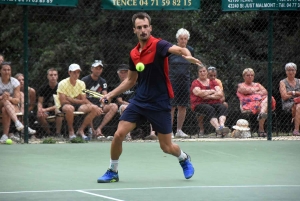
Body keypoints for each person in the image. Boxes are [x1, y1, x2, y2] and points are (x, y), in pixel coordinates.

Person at [97, 12, 201, 183]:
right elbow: (130, 81)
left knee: (166, 147)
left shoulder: (159, 45)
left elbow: (177, 49)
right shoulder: (133, 54)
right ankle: (113, 171)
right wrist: (110, 94)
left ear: (150, 28)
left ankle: (183, 158)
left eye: (146, 26)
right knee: (118, 135)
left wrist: (186, 54)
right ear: (134, 30)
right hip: (139, 101)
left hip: (160, 102)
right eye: (139, 28)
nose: (143, 30)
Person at [57, 63, 102, 140]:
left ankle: (81, 130)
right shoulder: (62, 83)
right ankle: (71, 131)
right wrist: (77, 99)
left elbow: (83, 100)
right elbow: (63, 101)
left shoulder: (81, 83)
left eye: (78, 72)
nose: (76, 74)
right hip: (65, 106)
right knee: (69, 108)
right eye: (74, 72)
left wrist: (71, 99)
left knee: (94, 108)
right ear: (69, 73)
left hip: (78, 105)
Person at [81, 60, 118, 139]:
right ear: (92, 69)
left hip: (100, 105)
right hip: (88, 104)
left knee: (114, 106)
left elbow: (106, 97)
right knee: (92, 108)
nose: (98, 70)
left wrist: (104, 103)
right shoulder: (84, 80)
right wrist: (94, 106)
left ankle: (99, 129)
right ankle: (92, 131)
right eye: (96, 68)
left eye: (100, 68)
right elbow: (83, 98)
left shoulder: (103, 81)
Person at [190, 65, 230, 137]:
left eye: (204, 71)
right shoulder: (195, 82)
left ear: (207, 72)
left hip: (214, 102)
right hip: (199, 103)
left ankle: (222, 126)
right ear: (198, 73)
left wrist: (208, 96)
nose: (202, 73)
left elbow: (220, 94)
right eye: (200, 71)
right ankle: (218, 129)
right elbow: (199, 93)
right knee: (209, 109)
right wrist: (212, 91)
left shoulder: (213, 81)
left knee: (222, 107)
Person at [237, 68, 276, 137]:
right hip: (249, 104)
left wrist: (252, 91)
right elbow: (245, 90)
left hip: (261, 103)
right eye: (248, 75)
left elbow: (265, 92)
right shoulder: (241, 85)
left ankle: (261, 114)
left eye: (252, 75)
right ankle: (261, 129)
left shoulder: (257, 84)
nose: (250, 76)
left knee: (268, 98)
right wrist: (257, 91)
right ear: (244, 76)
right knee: (265, 106)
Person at [168, 28, 193, 139]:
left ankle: (179, 130)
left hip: (185, 81)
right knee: (171, 106)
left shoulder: (190, 50)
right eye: (181, 39)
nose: (183, 41)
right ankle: (169, 131)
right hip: (172, 82)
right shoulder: (171, 50)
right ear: (177, 39)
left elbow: (192, 62)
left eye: (185, 39)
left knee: (182, 106)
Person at [0, 62, 25, 142]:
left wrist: (9, 98)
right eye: (4, 70)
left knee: (5, 109)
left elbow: (17, 100)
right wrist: (2, 97)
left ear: (11, 71)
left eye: (8, 70)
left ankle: (5, 135)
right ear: (0, 71)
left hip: (11, 106)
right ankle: (16, 122)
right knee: (4, 101)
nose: (7, 72)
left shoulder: (15, 82)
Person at [37, 68, 63, 137]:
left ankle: (58, 133)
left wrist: (45, 110)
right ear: (47, 76)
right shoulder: (43, 88)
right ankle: (49, 134)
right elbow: (40, 102)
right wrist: (40, 109)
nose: (53, 77)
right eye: (51, 75)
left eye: (55, 75)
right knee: (39, 115)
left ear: (57, 76)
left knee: (58, 112)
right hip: (46, 110)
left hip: (58, 109)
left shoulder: (61, 87)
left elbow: (59, 104)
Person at [279, 62, 300, 136]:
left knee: (298, 106)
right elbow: (284, 96)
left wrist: (291, 93)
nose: (291, 72)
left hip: (298, 102)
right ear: (286, 72)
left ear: (295, 71)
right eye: (288, 70)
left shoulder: (299, 81)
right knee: (298, 106)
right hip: (288, 103)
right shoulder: (283, 82)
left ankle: (296, 127)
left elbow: (287, 94)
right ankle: (296, 130)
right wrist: (297, 93)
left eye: (292, 70)